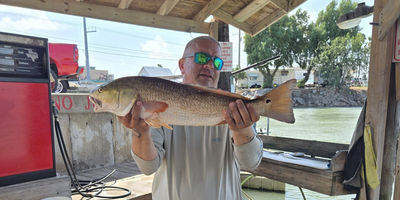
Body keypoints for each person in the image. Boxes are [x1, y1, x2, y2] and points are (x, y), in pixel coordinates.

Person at [118, 36, 263, 200]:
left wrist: (242, 129)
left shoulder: (237, 110)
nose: (209, 65)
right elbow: (148, 167)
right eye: (201, 57)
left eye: (216, 62)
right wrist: (140, 132)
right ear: (181, 65)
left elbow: (251, 162)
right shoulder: (155, 105)